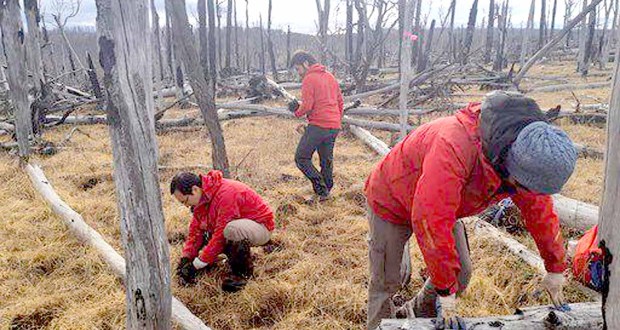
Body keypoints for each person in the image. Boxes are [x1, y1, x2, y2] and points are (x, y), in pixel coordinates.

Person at [364, 91, 578, 330]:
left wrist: (555, 268)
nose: (526, 193)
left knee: (460, 274)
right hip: (391, 198)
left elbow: (540, 212)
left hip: (443, 204)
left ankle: (417, 315)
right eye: (525, 187)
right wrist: (445, 291)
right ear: (511, 163)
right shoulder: (455, 144)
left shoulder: (525, 159)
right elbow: (431, 217)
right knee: (387, 282)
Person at [170, 170, 275, 292]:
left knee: (231, 230)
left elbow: (220, 234)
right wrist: (186, 258)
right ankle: (218, 262)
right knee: (209, 233)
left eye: (185, 201)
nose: (186, 206)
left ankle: (241, 275)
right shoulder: (202, 198)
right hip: (241, 227)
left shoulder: (226, 194)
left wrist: (198, 264)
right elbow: (196, 232)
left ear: (195, 189)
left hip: (261, 228)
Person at [287, 50, 344, 203]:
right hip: (333, 125)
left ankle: (321, 189)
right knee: (326, 160)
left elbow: (307, 106)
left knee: (301, 158)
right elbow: (340, 101)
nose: (299, 73)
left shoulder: (309, 79)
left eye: (298, 69)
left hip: (319, 124)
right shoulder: (330, 76)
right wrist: (337, 119)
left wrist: (296, 111)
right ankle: (326, 192)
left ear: (306, 63)